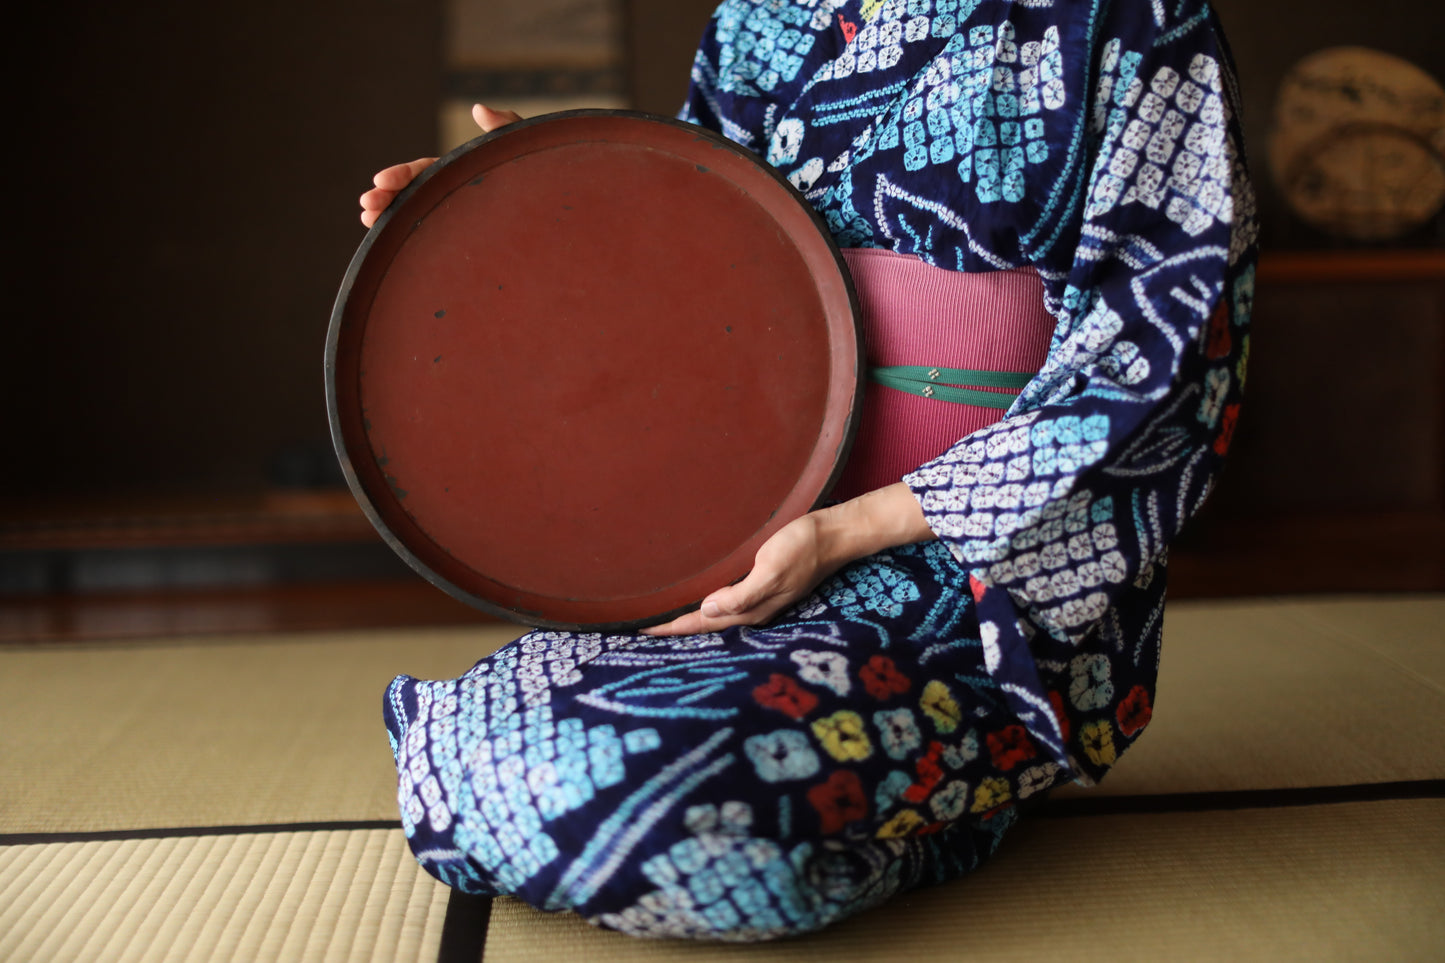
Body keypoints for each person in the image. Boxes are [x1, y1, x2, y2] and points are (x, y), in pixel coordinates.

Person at [366, 0, 1257, 941]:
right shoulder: (764, 16)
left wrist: (845, 530)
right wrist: (533, 213)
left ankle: (950, 801)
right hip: (752, 542)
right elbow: (696, 262)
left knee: (639, 797)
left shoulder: (1132, 19)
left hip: (969, 569)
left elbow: (1166, 352)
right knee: (497, 744)